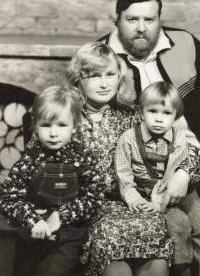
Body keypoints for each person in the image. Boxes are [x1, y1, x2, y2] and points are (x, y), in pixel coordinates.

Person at [24, 42, 174, 276]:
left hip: (129, 201)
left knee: (154, 229)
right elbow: (33, 167)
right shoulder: (63, 116)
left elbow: (178, 144)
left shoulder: (134, 116)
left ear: (119, 77)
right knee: (111, 236)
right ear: (78, 79)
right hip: (83, 207)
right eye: (94, 76)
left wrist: (184, 174)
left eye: (110, 75)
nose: (104, 84)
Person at [98, 0, 200, 269]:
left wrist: (187, 170)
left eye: (149, 19)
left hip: (192, 157)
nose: (141, 28)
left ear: (159, 19)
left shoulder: (186, 43)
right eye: (132, 19)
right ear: (116, 19)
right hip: (145, 172)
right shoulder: (101, 57)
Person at [0, 85, 102, 276]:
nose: (53, 133)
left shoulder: (83, 158)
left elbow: (94, 196)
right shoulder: (29, 161)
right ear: (35, 126)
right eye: (46, 125)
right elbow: (7, 199)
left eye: (61, 125)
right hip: (32, 233)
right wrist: (32, 220)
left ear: (75, 127)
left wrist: (62, 215)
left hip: (69, 235)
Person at [115, 81, 200, 275]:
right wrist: (135, 198)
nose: (159, 119)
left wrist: (158, 202)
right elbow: (123, 175)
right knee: (179, 224)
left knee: (198, 219)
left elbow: (170, 177)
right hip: (145, 191)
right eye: (153, 111)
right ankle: (181, 269)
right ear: (141, 112)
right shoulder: (128, 139)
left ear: (176, 116)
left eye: (167, 113)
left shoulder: (178, 140)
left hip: (174, 189)